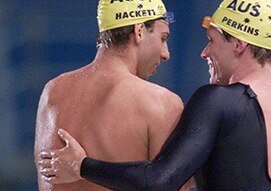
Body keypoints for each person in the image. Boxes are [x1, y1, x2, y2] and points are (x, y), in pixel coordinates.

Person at [38, 0, 271, 190]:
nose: (204, 52)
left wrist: (82, 165)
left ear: (238, 45)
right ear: (139, 32)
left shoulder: (52, 93)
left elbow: (160, 180)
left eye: (211, 41)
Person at [34, 0, 195, 190]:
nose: (166, 54)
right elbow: (171, 184)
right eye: (163, 38)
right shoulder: (159, 102)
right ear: (139, 31)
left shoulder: (53, 91)